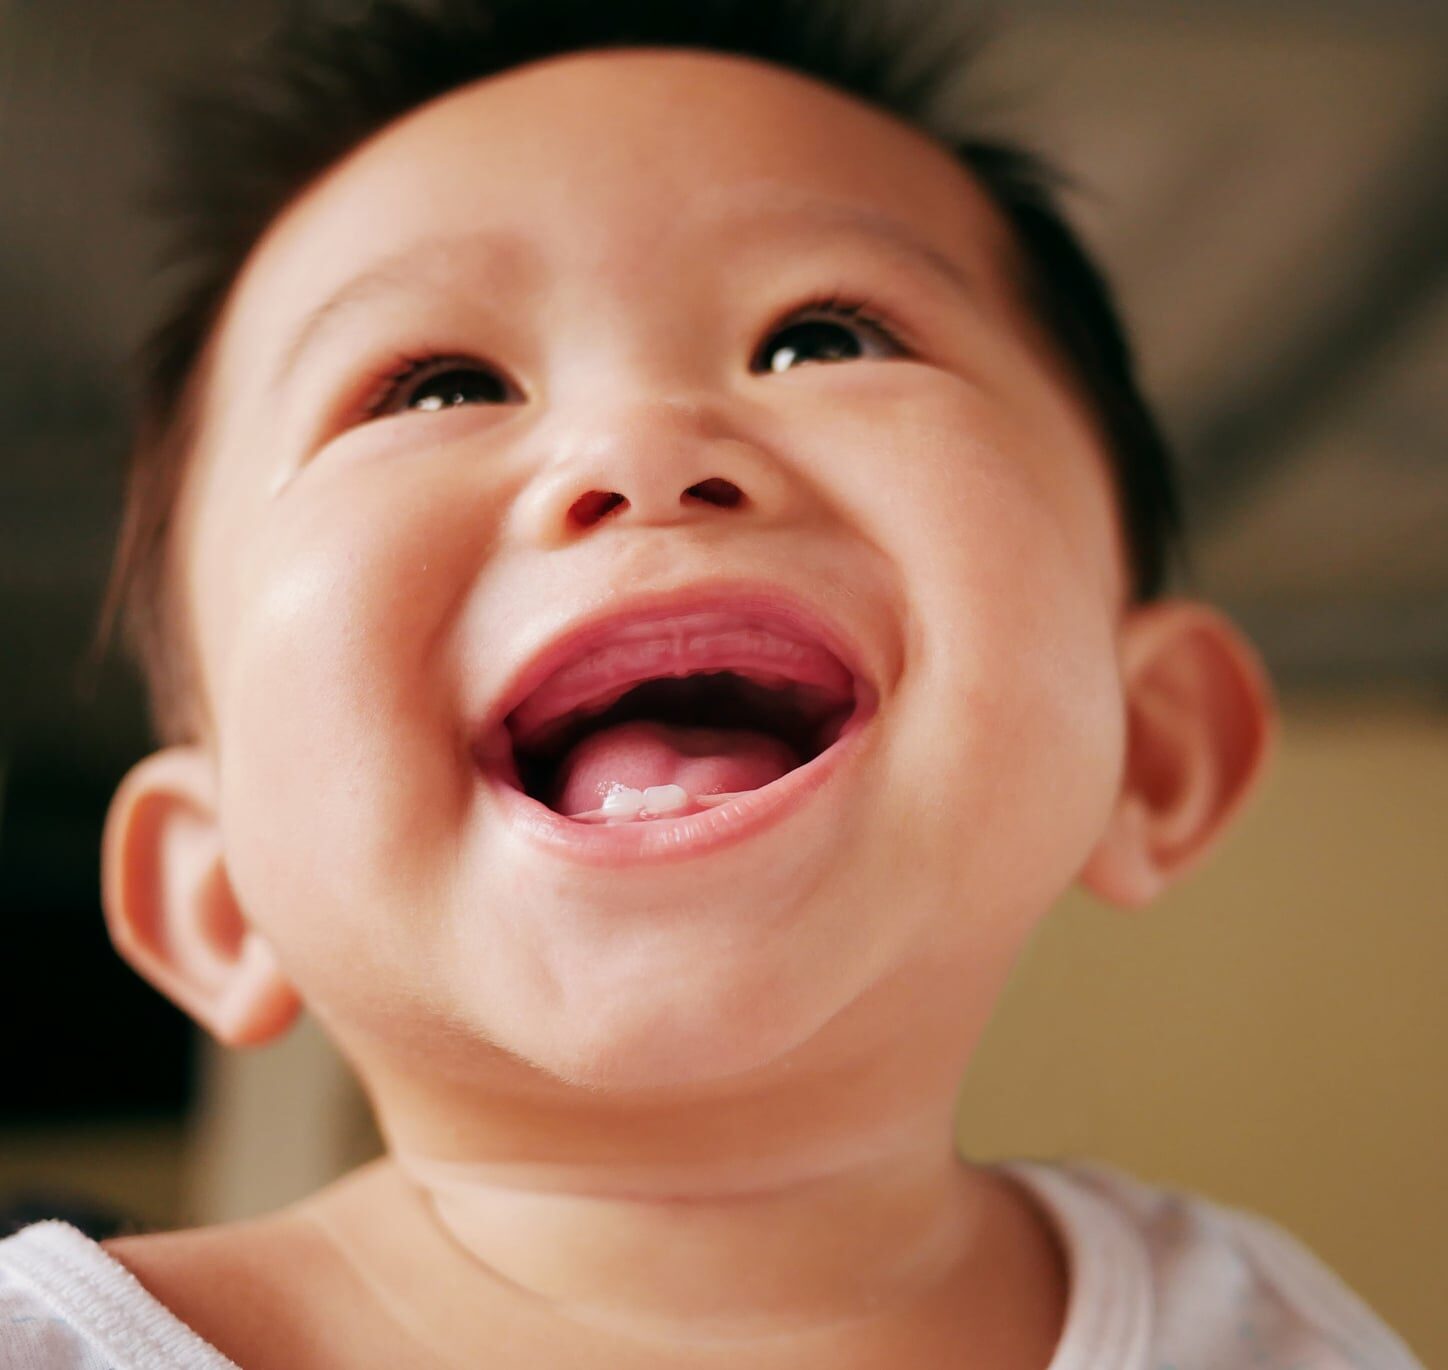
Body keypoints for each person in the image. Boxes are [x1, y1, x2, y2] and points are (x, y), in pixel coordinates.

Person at [0, 0, 1424, 1366]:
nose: (644, 444)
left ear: (1152, 752)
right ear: (217, 887)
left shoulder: (1269, 1335)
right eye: (435, 385)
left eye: (824, 338)